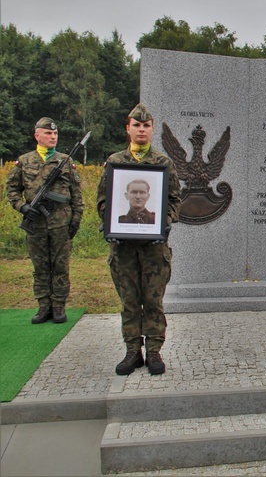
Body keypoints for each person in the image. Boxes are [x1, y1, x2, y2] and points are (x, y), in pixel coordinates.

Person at [96, 103, 181, 376]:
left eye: (146, 126)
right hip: (122, 248)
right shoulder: (114, 162)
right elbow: (102, 200)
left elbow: (174, 200)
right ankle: (133, 350)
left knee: (153, 301)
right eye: (136, 125)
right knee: (129, 301)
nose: (141, 130)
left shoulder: (163, 163)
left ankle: (154, 351)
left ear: (152, 129)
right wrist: (110, 223)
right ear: (128, 129)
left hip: (154, 249)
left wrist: (164, 223)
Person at [6, 117, 83, 324]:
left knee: (60, 266)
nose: (53, 136)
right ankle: (43, 306)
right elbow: (12, 189)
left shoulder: (65, 161)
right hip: (36, 223)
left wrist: (76, 219)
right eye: (48, 133)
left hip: (61, 223)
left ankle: (59, 305)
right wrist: (22, 207)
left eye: (55, 134)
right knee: (40, 266)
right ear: (37, 135)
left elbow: (76, 194)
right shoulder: (24, 161)